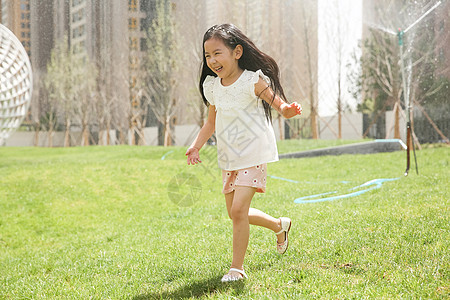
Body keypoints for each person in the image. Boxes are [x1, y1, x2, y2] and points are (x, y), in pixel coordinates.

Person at [185, 24, 302, 282]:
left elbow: (278, 103)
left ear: (237, 51)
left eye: (218, 53)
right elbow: (210, 123)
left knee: (238, 211)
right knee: (236, 213)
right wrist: (196, 145)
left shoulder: (252, 80)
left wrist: (287, 110)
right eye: (208, 56)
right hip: (230, 156)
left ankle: (236, 269)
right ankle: (278, 225)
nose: (212, 60)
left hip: (254, 152)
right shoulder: (213, 86)